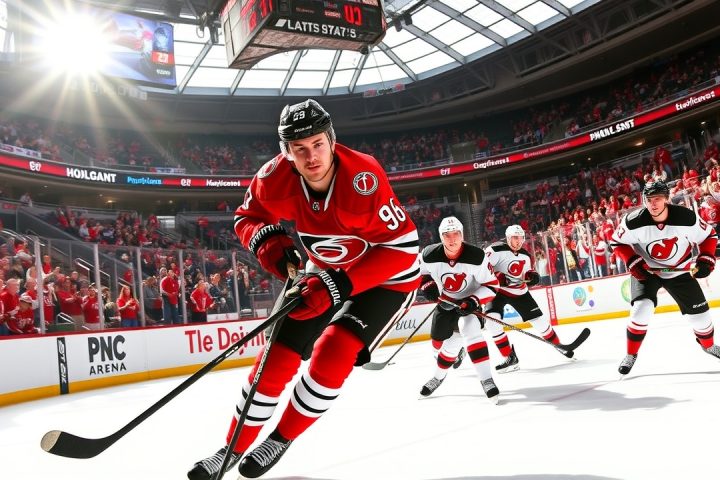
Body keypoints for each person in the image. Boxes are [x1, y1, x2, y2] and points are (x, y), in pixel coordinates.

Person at [188, 99, 420, 480]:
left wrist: (340, 284)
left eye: (317, 144)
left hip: (387, 279)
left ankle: (281, 438)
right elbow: (248, 217)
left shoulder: (364, 179)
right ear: (287, 153)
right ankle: (231, 449)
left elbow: (404, 248)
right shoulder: (271, 179)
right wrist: (268, 243)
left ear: (331, 140)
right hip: (323, 271)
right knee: (275, 359)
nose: (311, 157)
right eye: (299, 149)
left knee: (333, 352)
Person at [609, 180, 720, 375]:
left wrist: (706, 259)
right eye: (649, 199)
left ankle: (709, 345)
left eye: (658, 199)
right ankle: (631, 354)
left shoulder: (686, 217)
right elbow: (617, 242)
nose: (653, 204)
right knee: (641, 309)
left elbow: (708, 236)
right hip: (647, 271)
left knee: (701, 318)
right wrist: (633, 261)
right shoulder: (633, 221)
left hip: (679, 271)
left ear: (667, 199)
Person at [416, 216, 500, 402]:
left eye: (456, 234)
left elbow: (493, 286)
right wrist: (426, 284)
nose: (452, 239)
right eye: (447, 235)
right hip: (445, 303)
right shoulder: (428, 254)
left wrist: (473, 301)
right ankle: (439, 376)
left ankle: (486, 379)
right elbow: (420, 273)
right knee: (439, 341)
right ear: (441, 236)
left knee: (468, 330)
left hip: (469, 305)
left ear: (462, 235)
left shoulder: (476, 256)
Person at [484, 225, 589, 373]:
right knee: (491, 322)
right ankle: (509, 357)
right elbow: (482, 268)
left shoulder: (525, 255)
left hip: (520, 293)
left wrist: (532, 276)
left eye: (521, 238)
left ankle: (560, 346)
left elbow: (526, 272)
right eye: (515, 238)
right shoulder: (495, 250)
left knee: (540, 322)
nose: (519, 241)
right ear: (508, 238)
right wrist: (496, 277)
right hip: (497, 292)